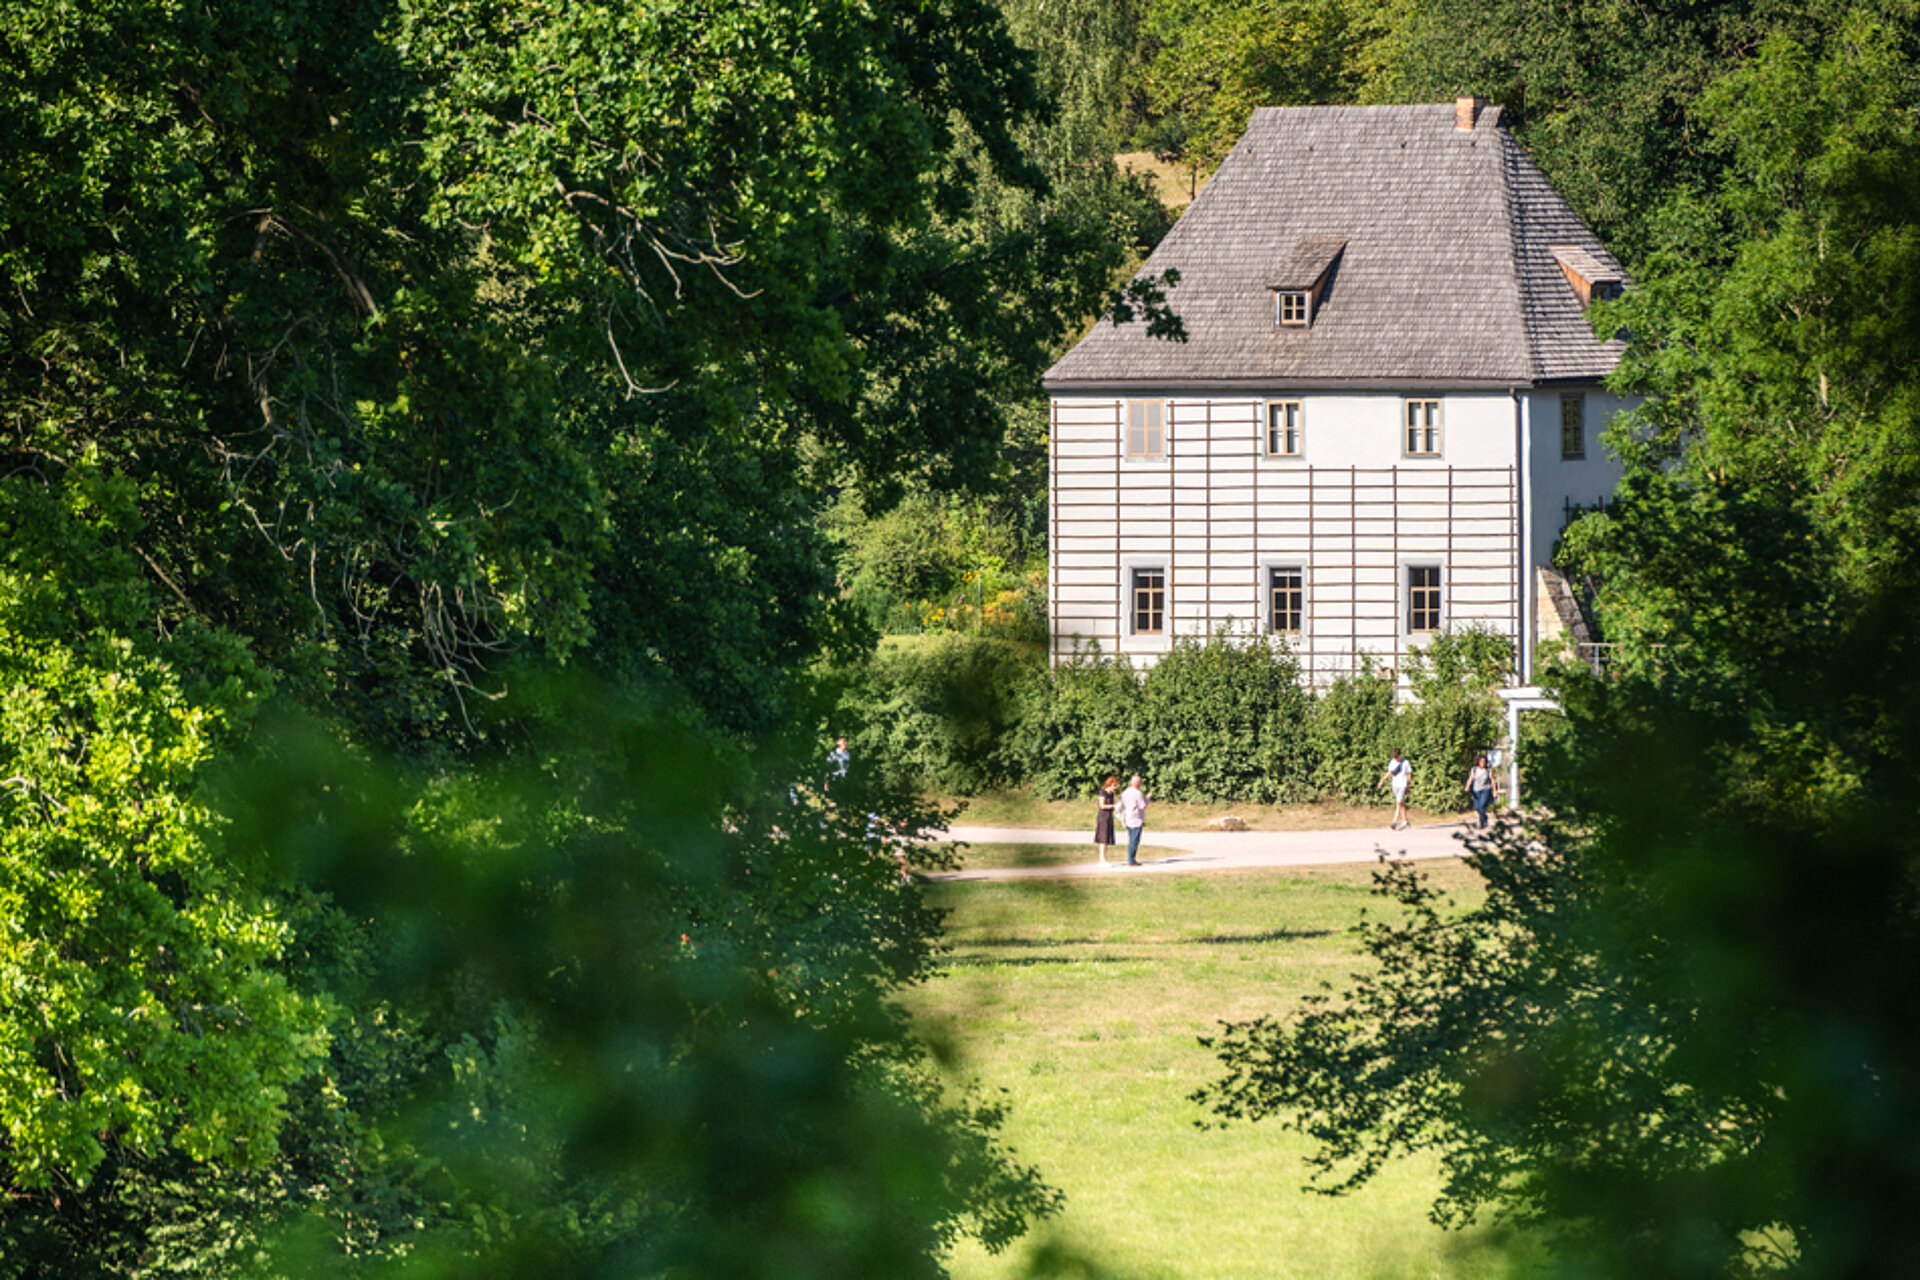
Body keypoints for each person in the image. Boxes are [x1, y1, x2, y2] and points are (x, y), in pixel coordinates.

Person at [1119, 774, 1152, 866]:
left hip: (1128, 817)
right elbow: (1142, 806)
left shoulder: (1125, 792)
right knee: (1134, 839)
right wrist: (1147, 798)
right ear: (1137, 783)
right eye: (1140, 782)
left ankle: (1131, 858)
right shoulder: (1137, 793)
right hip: (1136, 818)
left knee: (1131, 839)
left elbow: (1123, 804)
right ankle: (1131, 860)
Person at [1379, 748, 1413, 831]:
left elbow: (1409, 774)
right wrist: (1382, 781)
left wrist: (1408, 786)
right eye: (1394, 757)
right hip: (1394, 785)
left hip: (1402, 784)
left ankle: (1394, 821)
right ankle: (1405, 821)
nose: (1396, 759)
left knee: (1399, 802)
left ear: (1400, 755)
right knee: (1400, 803)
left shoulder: (1405, 763)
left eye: (1397, 757)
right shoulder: (1392, 762)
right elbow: (1389, 773)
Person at [1463, 753, 1497, 829]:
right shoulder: (1474, 769)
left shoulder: (1488, 770)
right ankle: (1484, 817)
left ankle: (1481, 823)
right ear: (1478, 762)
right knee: (1477, 807)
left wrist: (1494, 791)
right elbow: (1470, 778)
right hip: (1476, 790)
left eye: (1484, 761)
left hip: (1485, 789)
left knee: (1482, 806)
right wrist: (1467, 786)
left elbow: (1493, 780)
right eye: (1481, 761)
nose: (1483, 763)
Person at [1093, 777, 1119, 867]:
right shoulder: (1103, 793)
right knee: (1103, 838)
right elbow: (1102, 806)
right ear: (1109, 784)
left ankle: (1104, 859)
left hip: (1109, 817)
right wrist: (1113, 806)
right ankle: (1101, 859)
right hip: (1103, 817)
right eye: (1114, 785)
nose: (1115, 787)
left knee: (1107, 838)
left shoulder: (1111, 794)